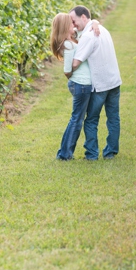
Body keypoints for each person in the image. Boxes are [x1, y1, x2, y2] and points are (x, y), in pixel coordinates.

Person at [70, 5, 122, 160]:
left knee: (91, 120)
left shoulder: (88, 36)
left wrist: (67, 67)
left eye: (74, 21)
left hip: (100, 84)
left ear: (84, 17)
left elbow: (75, 63)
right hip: (114, 80)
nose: (73, 25)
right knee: (113, 118)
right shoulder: (102, 29)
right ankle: (111, 152)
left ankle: (91, 154)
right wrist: (95, 22)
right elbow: (80, 32)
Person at [51, 13, 93, 160]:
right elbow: (67, 69)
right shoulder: (68, 44)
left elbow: (87, 30)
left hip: (81, 84)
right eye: (71, 24)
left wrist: (95, 23)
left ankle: (64, 152)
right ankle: (64, 154)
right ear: (64, 27)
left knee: (76, 119)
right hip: (81, 85)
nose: (74, 25)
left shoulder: (71, 41)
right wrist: (74, 76)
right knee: (76, 120)